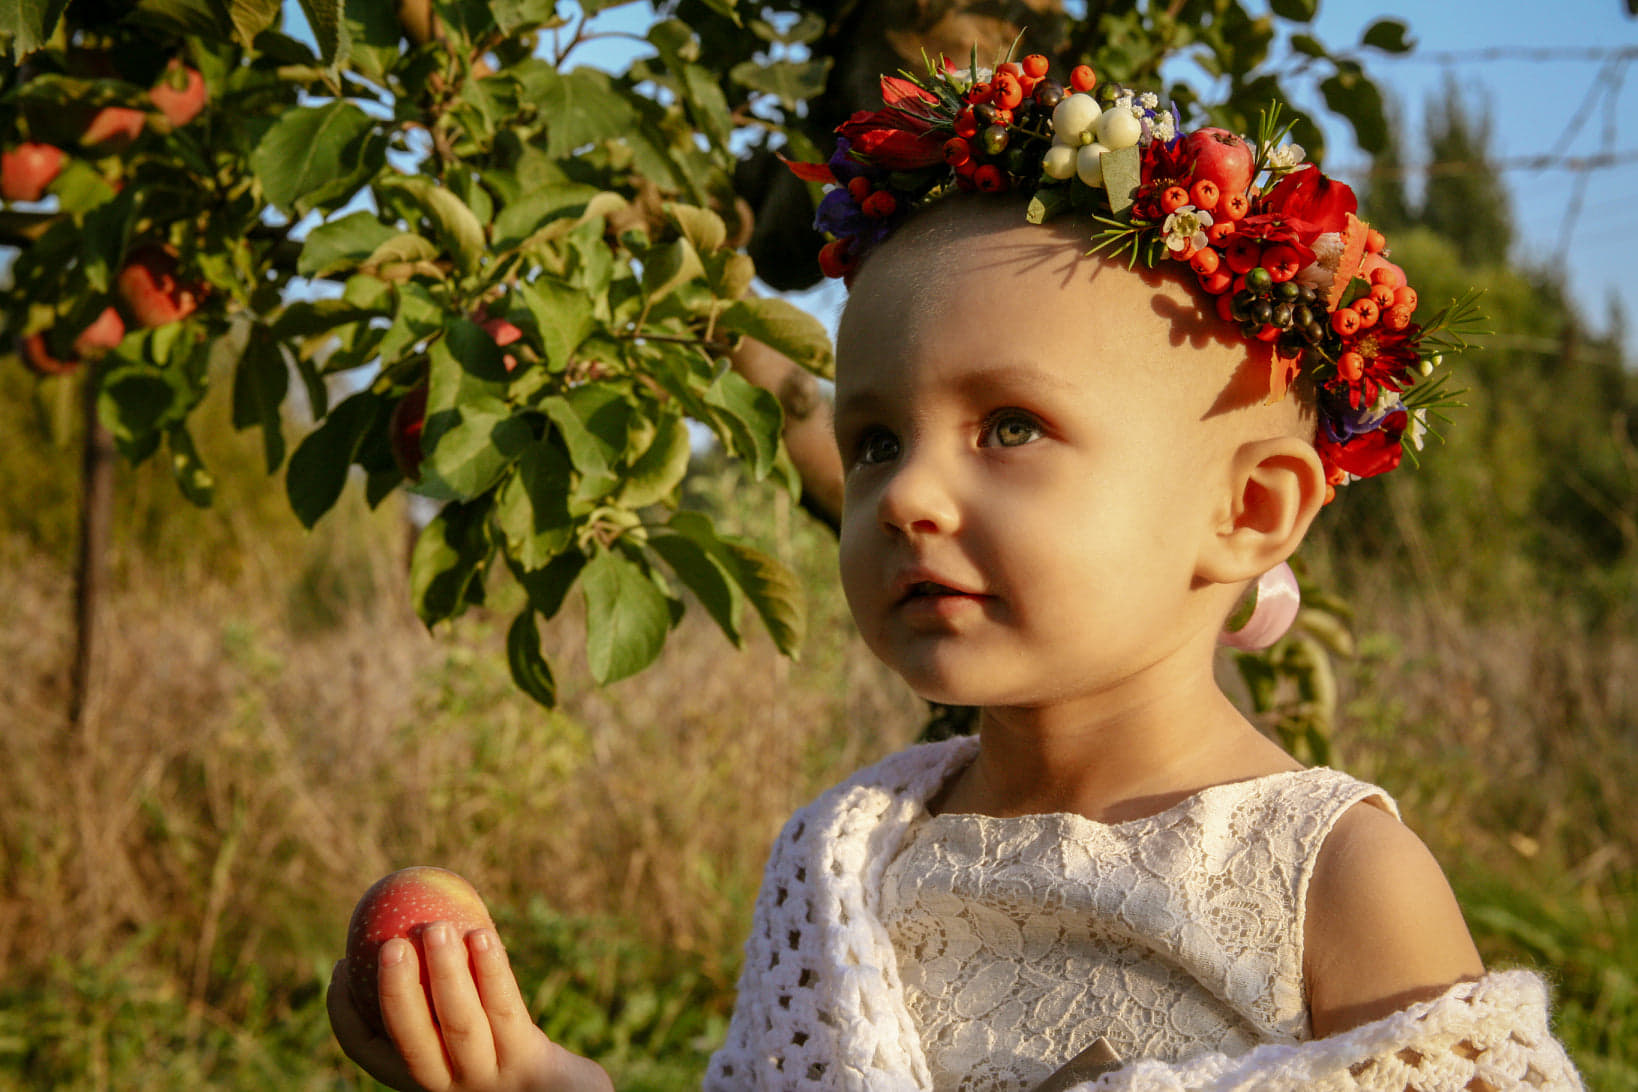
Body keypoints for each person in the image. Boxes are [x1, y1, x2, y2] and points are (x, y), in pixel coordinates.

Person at [328, 56, 1583, 1092]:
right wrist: (543, 1079)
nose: (909, 496)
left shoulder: (1335, 878)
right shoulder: (845, 862)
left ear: (1248, 510)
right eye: (875, 441)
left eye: (1012, 428)